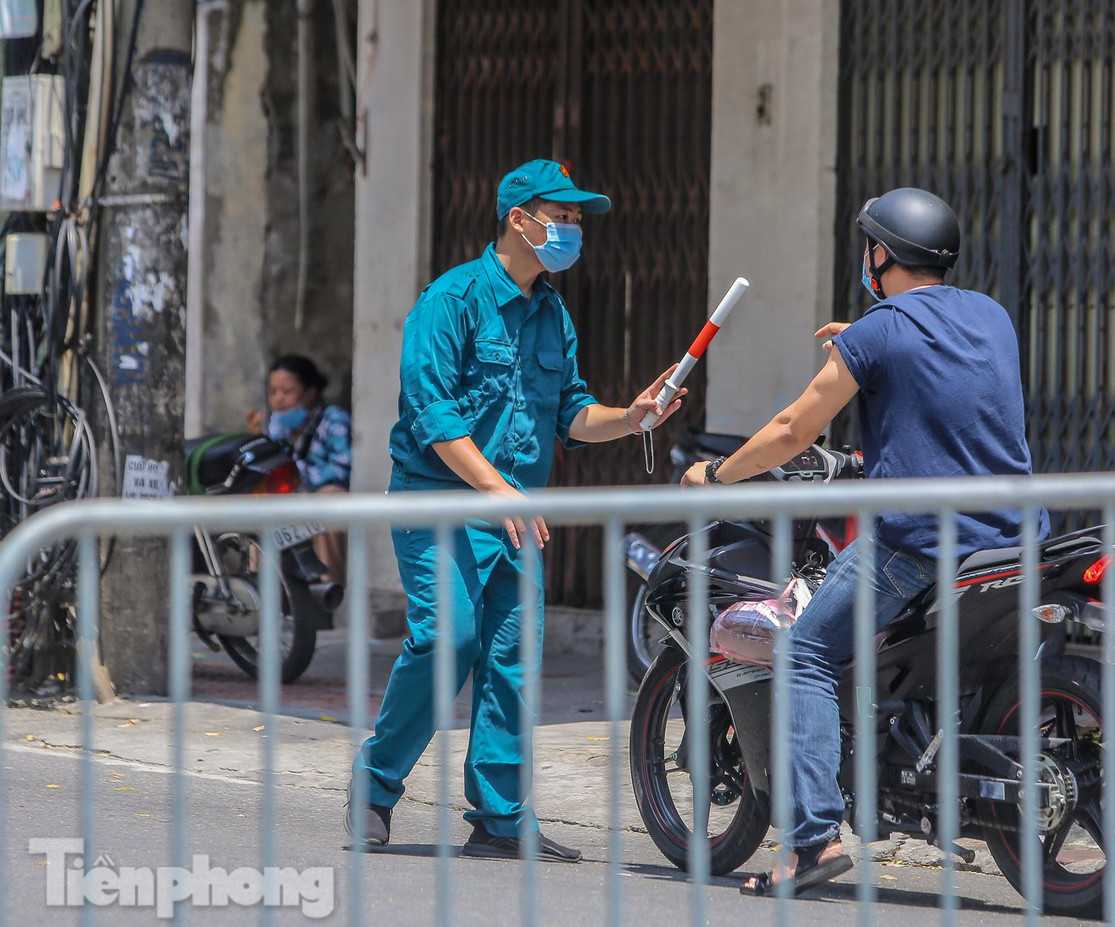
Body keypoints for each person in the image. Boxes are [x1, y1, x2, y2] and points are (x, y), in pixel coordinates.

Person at [681, 188, 1046, 896]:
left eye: (868, 249)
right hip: (1013, 536)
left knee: (807, 653)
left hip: (920, 543)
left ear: (880, 254)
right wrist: (869, 335)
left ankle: (811, 840)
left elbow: (793, 429)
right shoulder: (991, 315)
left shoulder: (879, 331)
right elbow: (944, 366)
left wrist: (718, 474)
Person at [347, 159, 685, 861]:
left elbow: (573, 413)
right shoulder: (451, 301)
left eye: (576, 219)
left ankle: (501, 818)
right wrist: (496, 488)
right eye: (559, 216)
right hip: (442, 500)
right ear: (518, 219)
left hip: (512, 512)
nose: (571, 229)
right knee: (449, 639)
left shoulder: (551, 312)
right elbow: (433, 416)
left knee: (511, 659)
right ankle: (375, 787)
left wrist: (634, 416)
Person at [246, 354, 352, 584]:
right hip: (292, 493)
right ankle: (261, 585)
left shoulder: (335, 420)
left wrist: (299, 477)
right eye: (273, 392)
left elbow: (342, 469)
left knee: (327, 502)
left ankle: (328, 586)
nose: (279, 399)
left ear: (310, 392)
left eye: (287, 391)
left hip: (321, 493)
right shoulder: (277, 424)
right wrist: (259, 440)